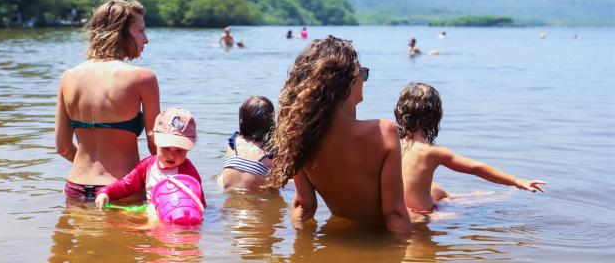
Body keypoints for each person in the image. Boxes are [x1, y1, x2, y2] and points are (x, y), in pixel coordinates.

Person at [266, 36, 412, 234]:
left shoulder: (299, 136)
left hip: (338, 235)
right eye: (363, 73)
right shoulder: (383, 132)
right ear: (348, 82)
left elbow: (304, 207)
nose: (364, 80)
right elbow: (394, 213)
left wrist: (301, 252)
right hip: (377, 238)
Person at [55, 0, 160, 201]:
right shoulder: (143, 78)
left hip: (75, 189)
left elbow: (63, 147)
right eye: (140, 31)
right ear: (120, 32)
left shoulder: (68, 77)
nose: (145, 39)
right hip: (121, 191)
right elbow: (156, 147)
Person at [393, 82, 547, 214]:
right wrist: (516, 181)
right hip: (422, 213)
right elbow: (476, 168)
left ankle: (460, 196)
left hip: (399, 208)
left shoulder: (391, 143)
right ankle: (492, 197)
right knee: (452, 208)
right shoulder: (432, 152)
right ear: (434, 116)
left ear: (400, 112)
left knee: (437, 190)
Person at [94, 107, 206, 208]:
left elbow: (200, 203)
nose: (172, 155)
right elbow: (127, 184)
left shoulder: (188, 172)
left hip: (175, 216)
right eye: (166, 148)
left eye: (179, 150)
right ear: (154, 141)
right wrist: (106, 192)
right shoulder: (147, 166)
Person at [221, 96, 277, 190]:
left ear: (242, 120)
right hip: (256, 199)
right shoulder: (270, 153)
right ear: (271, 123)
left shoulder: (233, 143)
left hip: (229, 198)